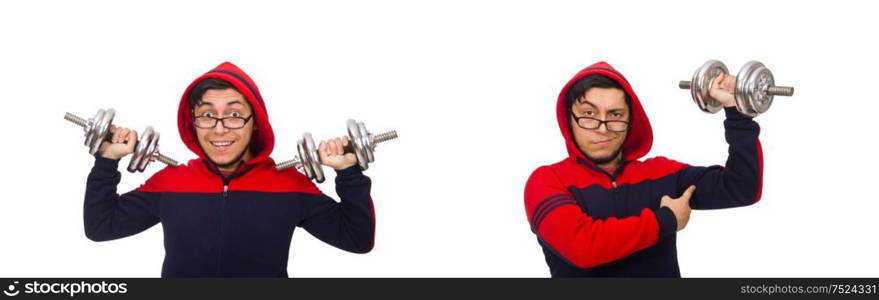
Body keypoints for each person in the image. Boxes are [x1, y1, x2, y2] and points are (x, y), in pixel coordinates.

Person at [84, 62, 375, 277]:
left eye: (234, 115)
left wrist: (349, 173)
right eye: (207, 115)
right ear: (193, 122)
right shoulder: (171, 181)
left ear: (256, 121)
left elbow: (357, 239)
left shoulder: (289, 184)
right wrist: (107, 161)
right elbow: (100, 227)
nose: (219, 129)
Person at [523, 61, 762, 277]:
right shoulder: (546, 181)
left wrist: (737, 113)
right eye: (589, 114)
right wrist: (666, 220)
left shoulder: (661, 173)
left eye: (615, 114)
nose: (603, 128)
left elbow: (741, 188)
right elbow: (583, 248)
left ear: (630, 120)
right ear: (569, 119)